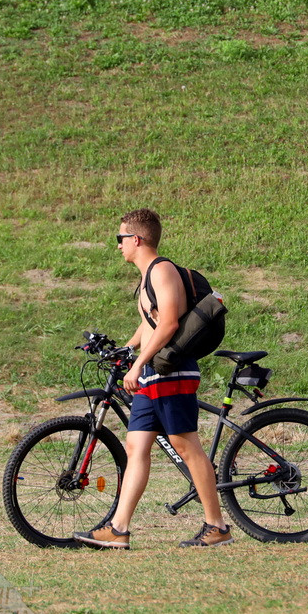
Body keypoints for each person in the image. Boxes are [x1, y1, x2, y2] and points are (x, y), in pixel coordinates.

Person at [75, 209, 233, 548]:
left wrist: (138, 365)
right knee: (136, 446)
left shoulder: (161, 270)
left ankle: (217, 526)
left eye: (120, 238)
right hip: (152, 373)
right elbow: (150, 323)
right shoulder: (147, 276)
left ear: (136, 239)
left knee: (185, 444)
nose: (118, 245)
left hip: (171, 370)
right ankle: (118, 529)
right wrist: (127, 349)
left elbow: (169, 324)